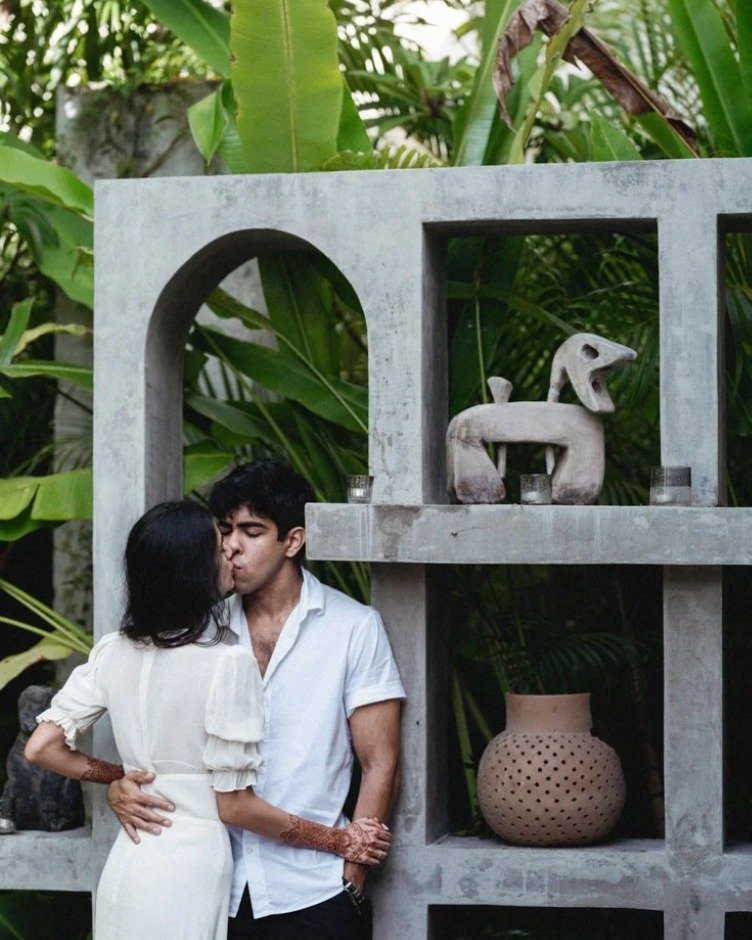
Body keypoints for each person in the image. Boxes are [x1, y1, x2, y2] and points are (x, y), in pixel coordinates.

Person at [25, 500, 390, 939]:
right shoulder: (226, 663)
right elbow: (233, 804)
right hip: (191, 867)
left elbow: (41, 747)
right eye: (220, 546)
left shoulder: (113, 650)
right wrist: (340, 841)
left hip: (131, 862)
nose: (230, 553)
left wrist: (123, 775)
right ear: (194, 567)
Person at [108, 458, 406, 939]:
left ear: (293, 540)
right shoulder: (197, 632)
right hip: (210, 886)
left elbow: (380, 759)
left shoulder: (352, 627)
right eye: (225, 530)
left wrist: (354, 872)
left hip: (314, 887)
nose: (232, 546)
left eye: (252, 531)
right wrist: (118, 783)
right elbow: (155, 732)